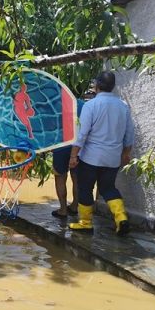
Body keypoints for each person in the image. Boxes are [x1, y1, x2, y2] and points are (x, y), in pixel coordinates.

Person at [68, 71, 134, 236]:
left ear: (97, 85)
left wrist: (73, 155)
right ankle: (121, 219)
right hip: (112, 158)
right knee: (108, 188)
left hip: (91, 157)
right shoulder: (123, 106)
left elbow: (82, 134)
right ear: (113, 87)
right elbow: (129, 134)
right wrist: (126, 153)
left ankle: (85, 223)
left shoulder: (91, 105)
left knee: (85, 188)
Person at [50, 85, 96, 219]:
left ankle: (63, 210)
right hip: (78, 147)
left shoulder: (54, 107)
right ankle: (75, 206)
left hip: (60, 146)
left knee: (60, 177)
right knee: (76, 179)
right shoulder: (83, 105)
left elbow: (49, 129)